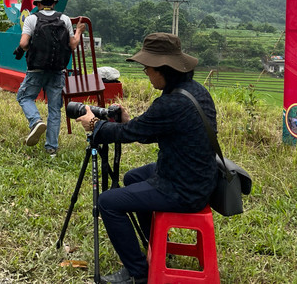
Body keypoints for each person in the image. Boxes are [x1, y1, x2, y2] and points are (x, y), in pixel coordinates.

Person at [76, 33, 218, 284]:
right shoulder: (195, 91)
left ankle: (138, 273)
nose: (146, 73)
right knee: (133, 177)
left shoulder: (171, 103)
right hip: (199, 175)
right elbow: (154, 130)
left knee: (108, 202)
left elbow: (129, 135)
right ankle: (155, 244)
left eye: (147, 69)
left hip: (184, 188)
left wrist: (95, 124)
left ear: (163, 69)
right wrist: (129, 123)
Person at [14, 0, 85, 156]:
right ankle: (51, 148)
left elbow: (24, 44)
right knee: (54, 109)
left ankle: (36, 121)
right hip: (58, 70)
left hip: (36, 69)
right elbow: (73, 45)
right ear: (53, 3)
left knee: (24, 97)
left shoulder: (32, 19)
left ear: (38, 3)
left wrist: (20, 50)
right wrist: (79, 31)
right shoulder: (65, 19)